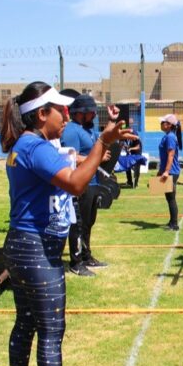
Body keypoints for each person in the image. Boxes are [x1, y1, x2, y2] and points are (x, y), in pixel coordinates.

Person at [0, 81, 135, 366]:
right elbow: (76, 183)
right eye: (60, 110)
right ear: (41, 114)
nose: (67, 115)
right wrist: (102, 141)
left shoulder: (28, 145)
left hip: (22, 245)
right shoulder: (36, 147)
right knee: (51, 328)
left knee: (26, 322)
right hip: (36, 250)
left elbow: (80, 163)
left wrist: (104, 144)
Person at [61, 94, 106, 277]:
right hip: (81, 183)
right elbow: (71, 157)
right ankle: (76, 261)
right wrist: (95, 158)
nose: (94, 115)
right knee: (78, 225)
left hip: (93, 182)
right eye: (91, 112)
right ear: (81, 113)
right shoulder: (72, 131)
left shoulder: (87, 129)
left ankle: (87, 256)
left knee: (88, 222)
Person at [158, 114, 181, 231]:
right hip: (168, 171)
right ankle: (172, 221)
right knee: (169, 197)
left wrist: (166, 171)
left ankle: (174, 224)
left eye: (163, 122)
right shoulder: (167, 136)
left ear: (169, 125)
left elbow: (170, 155)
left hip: (171, 172)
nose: (161, 124)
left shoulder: (170, 137)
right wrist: (160, 171)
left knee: (171, 198)